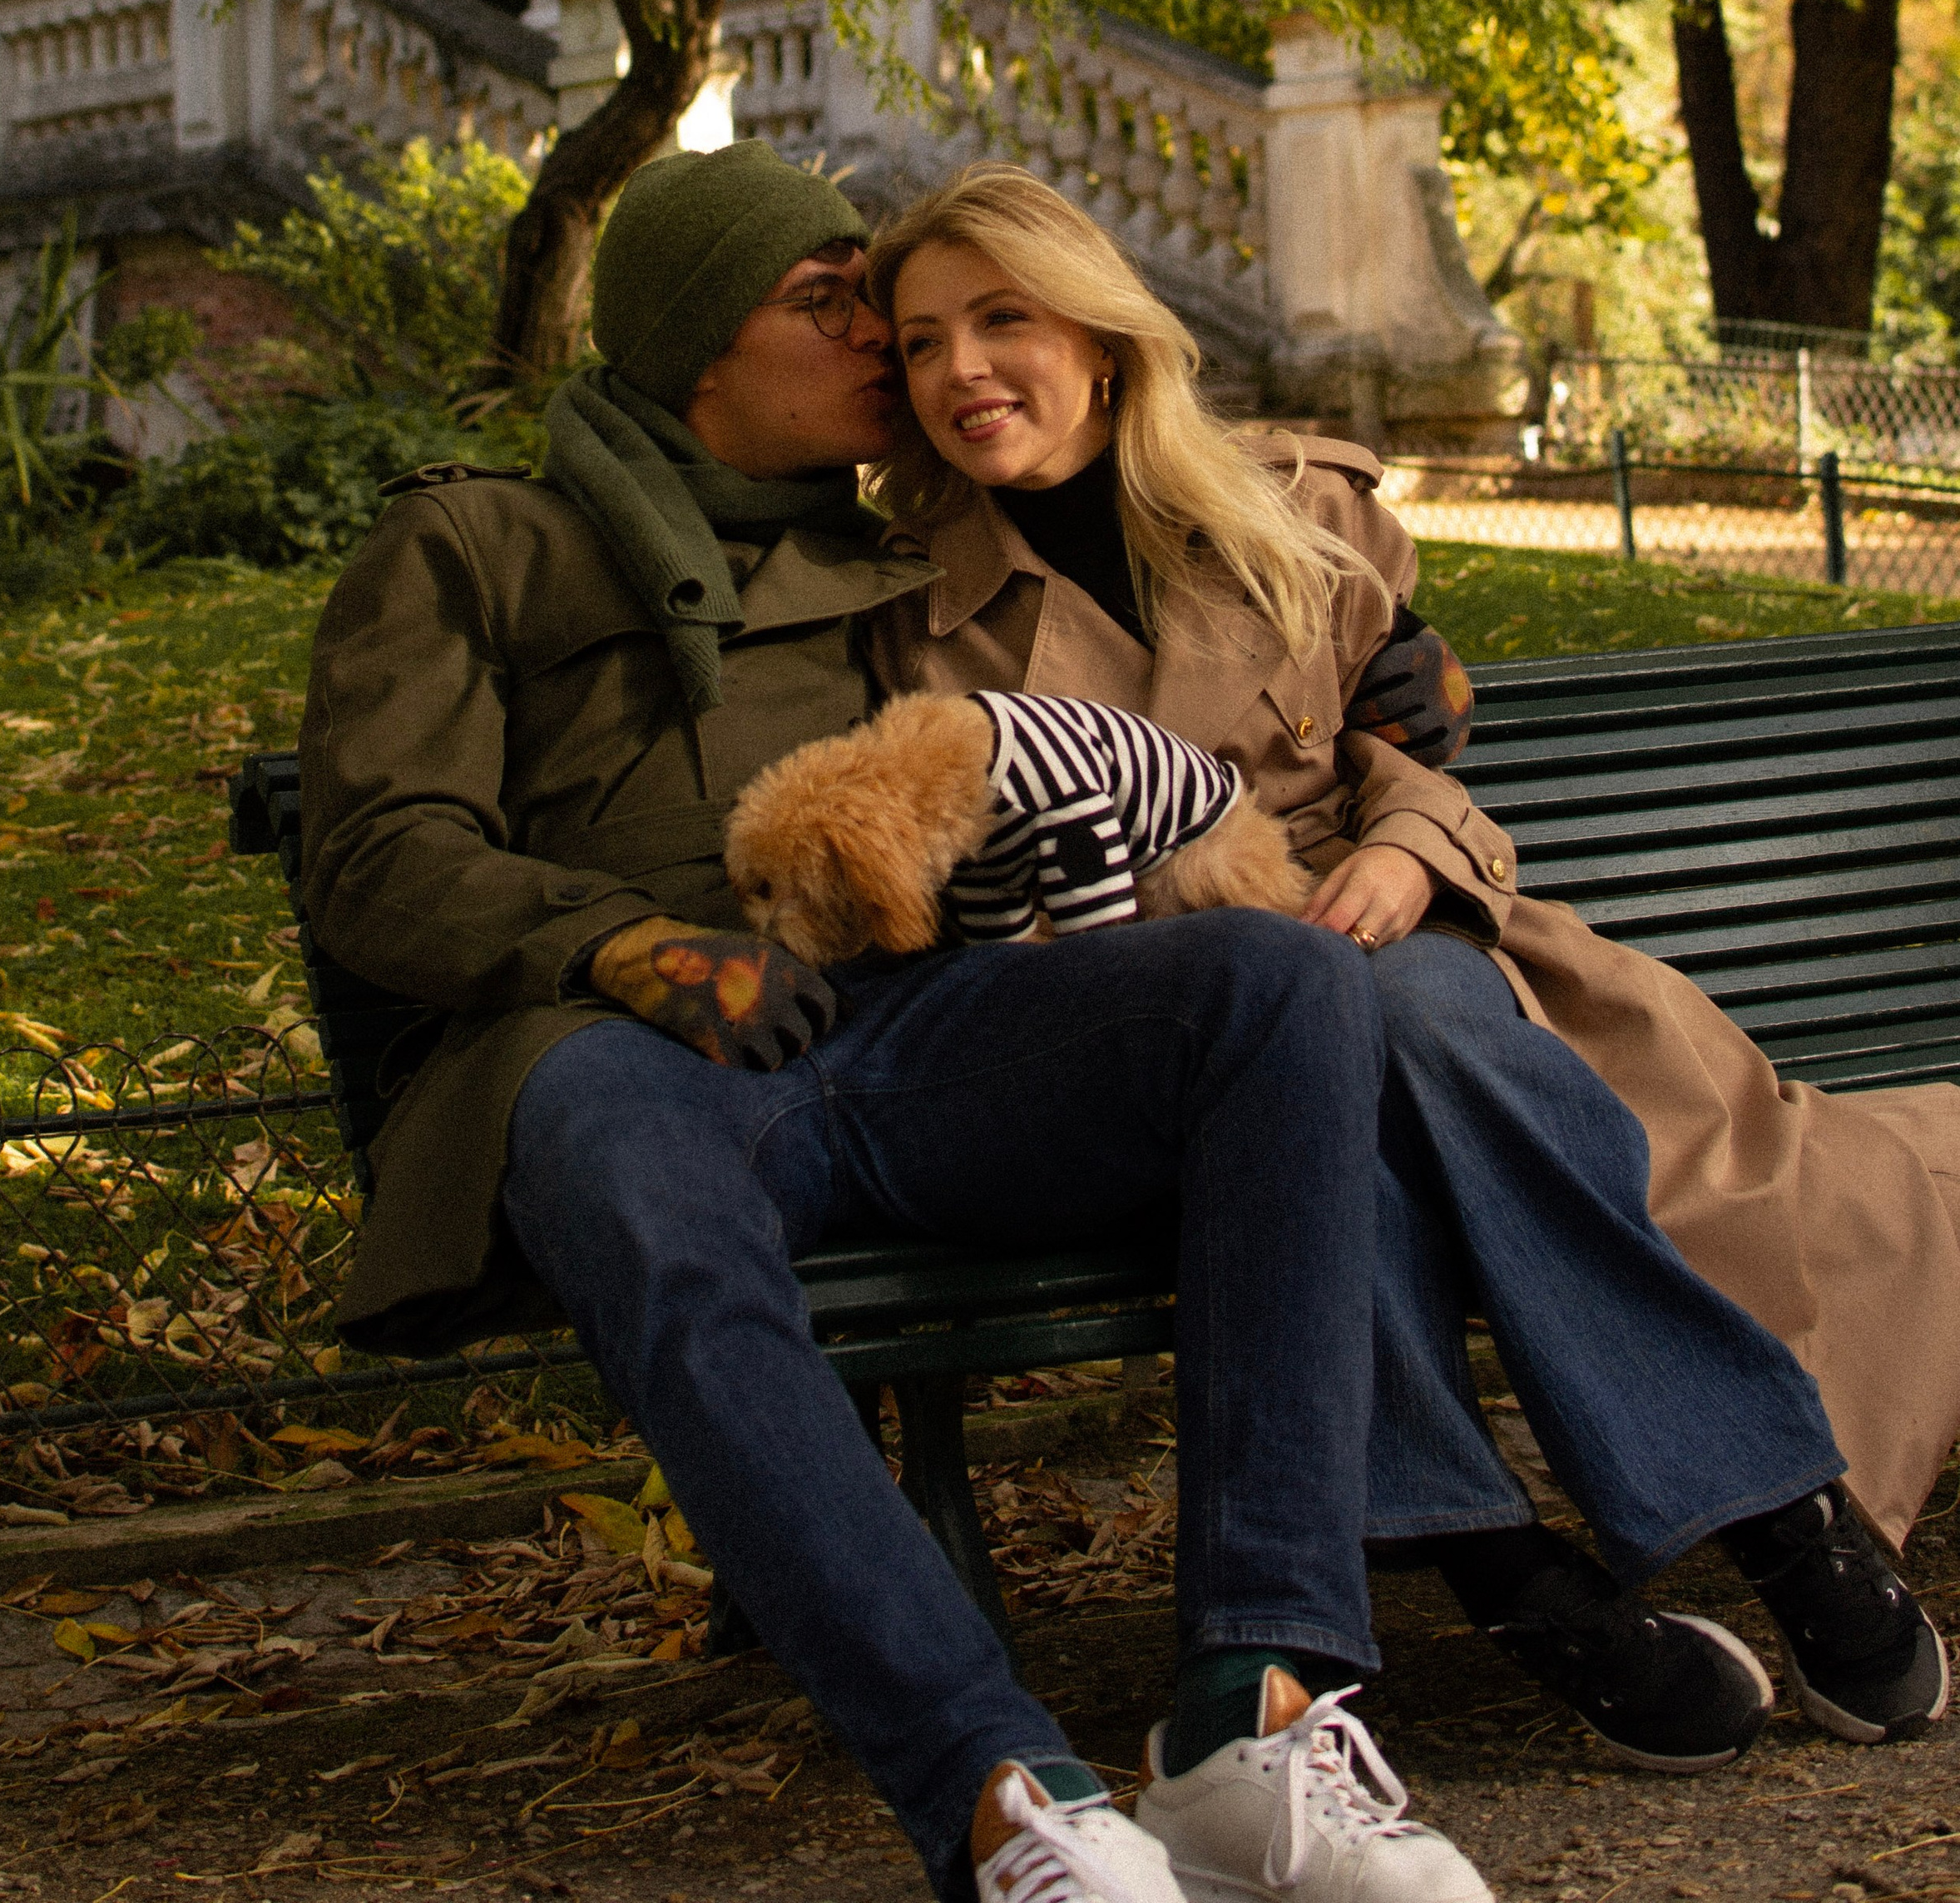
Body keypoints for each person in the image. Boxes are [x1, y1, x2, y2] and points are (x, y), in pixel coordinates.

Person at [299, 139, 1494, 1903]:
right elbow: (380, 857)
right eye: (828, 301)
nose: (887, 339)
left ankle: (1254, 1712)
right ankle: (1000, 1800)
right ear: (696, 341)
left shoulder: (907, 554)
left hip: (915, 1037)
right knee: (621, 1155)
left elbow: (1162, 616)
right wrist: (626, 945)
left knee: (1279, 979)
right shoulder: (477, 542)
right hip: (622, 1063)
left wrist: (1399, 663)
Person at [864, 161, 1951, 1819]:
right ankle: (1704, 1525)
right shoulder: (901, 617)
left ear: (1097, 333)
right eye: (923, 337)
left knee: (1396, 1018)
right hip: (1170, 1029)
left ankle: (1580, 1559)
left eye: (1001, 318)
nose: (961, 371)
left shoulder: (1295, 504)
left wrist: (1412, 854)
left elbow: (1416, 748)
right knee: (1314, 1078)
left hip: (1421, 961)